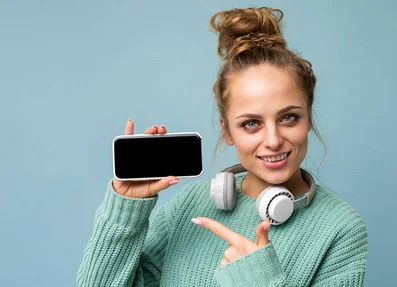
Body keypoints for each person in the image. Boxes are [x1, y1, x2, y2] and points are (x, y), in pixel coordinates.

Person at [77, 6, 368, 286]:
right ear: (227, 131)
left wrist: (258, 280)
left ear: (309, 118)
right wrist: (125, 210)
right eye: (251, 123)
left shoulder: (340, 228)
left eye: (288, 118)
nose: (273, 140)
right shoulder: (190, 207)